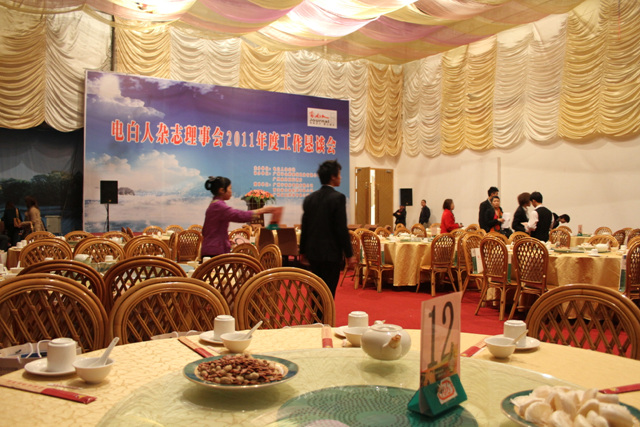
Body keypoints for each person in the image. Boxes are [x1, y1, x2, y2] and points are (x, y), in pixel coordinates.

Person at [300, 160, 353, 297]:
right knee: (328, 292)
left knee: (315, 291)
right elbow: (341, 228)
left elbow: (305, 227)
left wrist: (302, 251)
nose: (340, 177)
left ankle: (315, 312)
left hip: (313, 253)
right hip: (331, 254)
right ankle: (326, 312)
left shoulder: (309, 199)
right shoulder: (338, 198)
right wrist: (349, 254)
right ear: (333, 177)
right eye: (339, 174)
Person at [201, 176, 276, 258]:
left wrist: (224, 240)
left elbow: (206, 231)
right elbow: (239, 215)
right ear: (222, 190)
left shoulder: (214, 204)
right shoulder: (218, 206)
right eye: (230, 188)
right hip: (215, 251)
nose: (231, 191)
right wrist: (262, 210)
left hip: (211, 248)